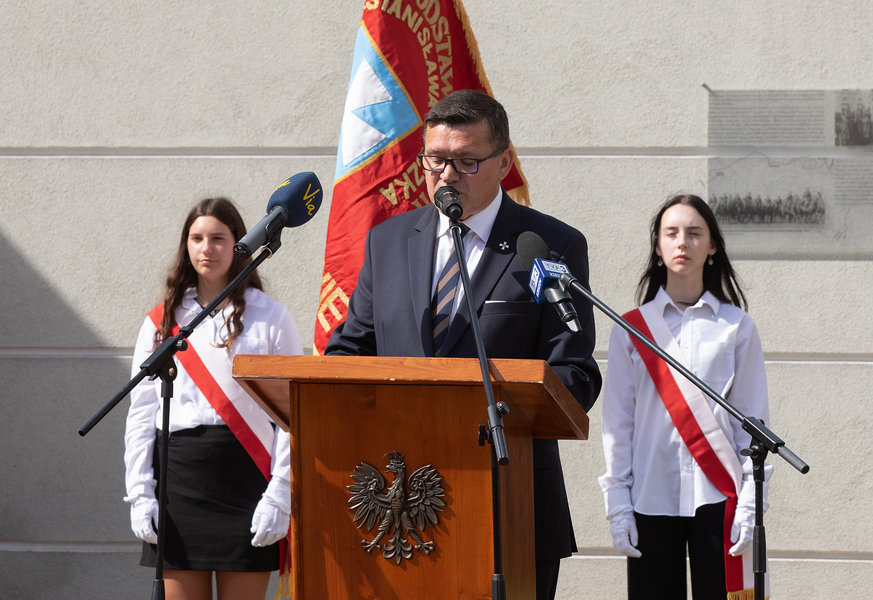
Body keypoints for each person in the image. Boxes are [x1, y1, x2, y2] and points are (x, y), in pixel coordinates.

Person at [325, 89, 602, 600]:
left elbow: (575, 372)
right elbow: (348, 354)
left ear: (504, 163)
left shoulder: (547, 245)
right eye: (435, 160)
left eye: (466, 161)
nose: (446, 175)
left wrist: (502, 407)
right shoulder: (387, 242)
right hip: (402, 505)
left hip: (509, 501)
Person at [124, 197, 302, 600]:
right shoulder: (161, 320)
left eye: (219, 238)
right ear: (185, 246)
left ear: (239, 243)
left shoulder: (272, 317)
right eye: (197, 238)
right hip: (179, 479)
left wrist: (280, 492)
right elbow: (141, 413)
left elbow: (293, 416)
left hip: (248, 478)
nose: (207, 249)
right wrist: (140, 492)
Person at [598, 195, 772, 599]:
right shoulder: (632, 328)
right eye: (671, 233)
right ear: (657, 247)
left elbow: (753, 420)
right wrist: (617, 502)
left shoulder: (736, 326)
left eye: (695, 233)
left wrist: (752, 501)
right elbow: (618, 424)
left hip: (719, 495)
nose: (682, 243)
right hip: (649, 493)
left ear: (712, 247)